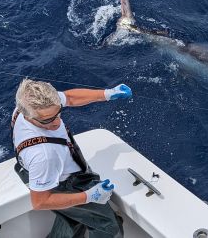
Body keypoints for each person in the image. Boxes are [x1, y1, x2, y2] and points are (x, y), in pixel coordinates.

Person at [11, 79, 132, 238]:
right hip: (63, 184)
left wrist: (107, 94)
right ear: (29, 116)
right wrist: (88, 196)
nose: (57, 122)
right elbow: (40, 202)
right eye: (48, 120)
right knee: (109, 226)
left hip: (47, 173)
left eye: (58, 113)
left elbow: (70, 97)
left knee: (73, 219)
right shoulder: (43, 155)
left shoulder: (32, 105)